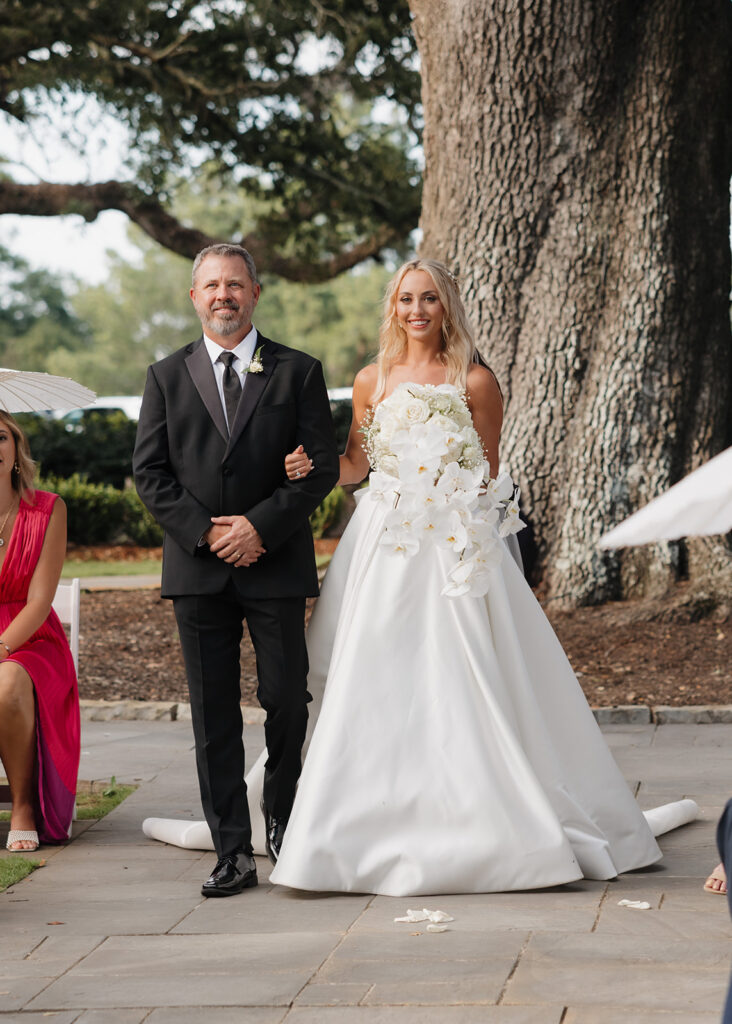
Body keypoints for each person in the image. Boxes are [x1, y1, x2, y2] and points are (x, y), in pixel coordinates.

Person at [263, 257, 668, 896]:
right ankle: (355, 810)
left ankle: (482, 806)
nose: (416, 310)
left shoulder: (474, 380)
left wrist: (444, 500)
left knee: (465, 667)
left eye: (428, 298)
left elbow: (488, 472)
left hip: (450, 539)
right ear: (392, 308)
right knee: (367, 666)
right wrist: (310, 466)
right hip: (384, 539)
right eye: (405, 299)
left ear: (446, 305)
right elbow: (356, 464)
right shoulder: (371, 379)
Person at [133, 242, 339, 898]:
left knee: (286, 699)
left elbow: (322, 467)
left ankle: (280, 817)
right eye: (212, 285)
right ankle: (232, 850)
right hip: (197, 574)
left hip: (274, 565)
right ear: (194, 297)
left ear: (255, 293)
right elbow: (150, 473)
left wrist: (259, 527)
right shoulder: (166, 377)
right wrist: (206, 533)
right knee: (213, 714)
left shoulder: (298, 372)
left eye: (236, 284)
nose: (224, 295)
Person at [0, 411, 79, 853]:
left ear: (15, 448)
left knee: (7, 680)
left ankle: (24, 805)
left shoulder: (48, 508)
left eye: (0, 437)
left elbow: (39, 601)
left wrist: (2, 646)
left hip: (31, 642)